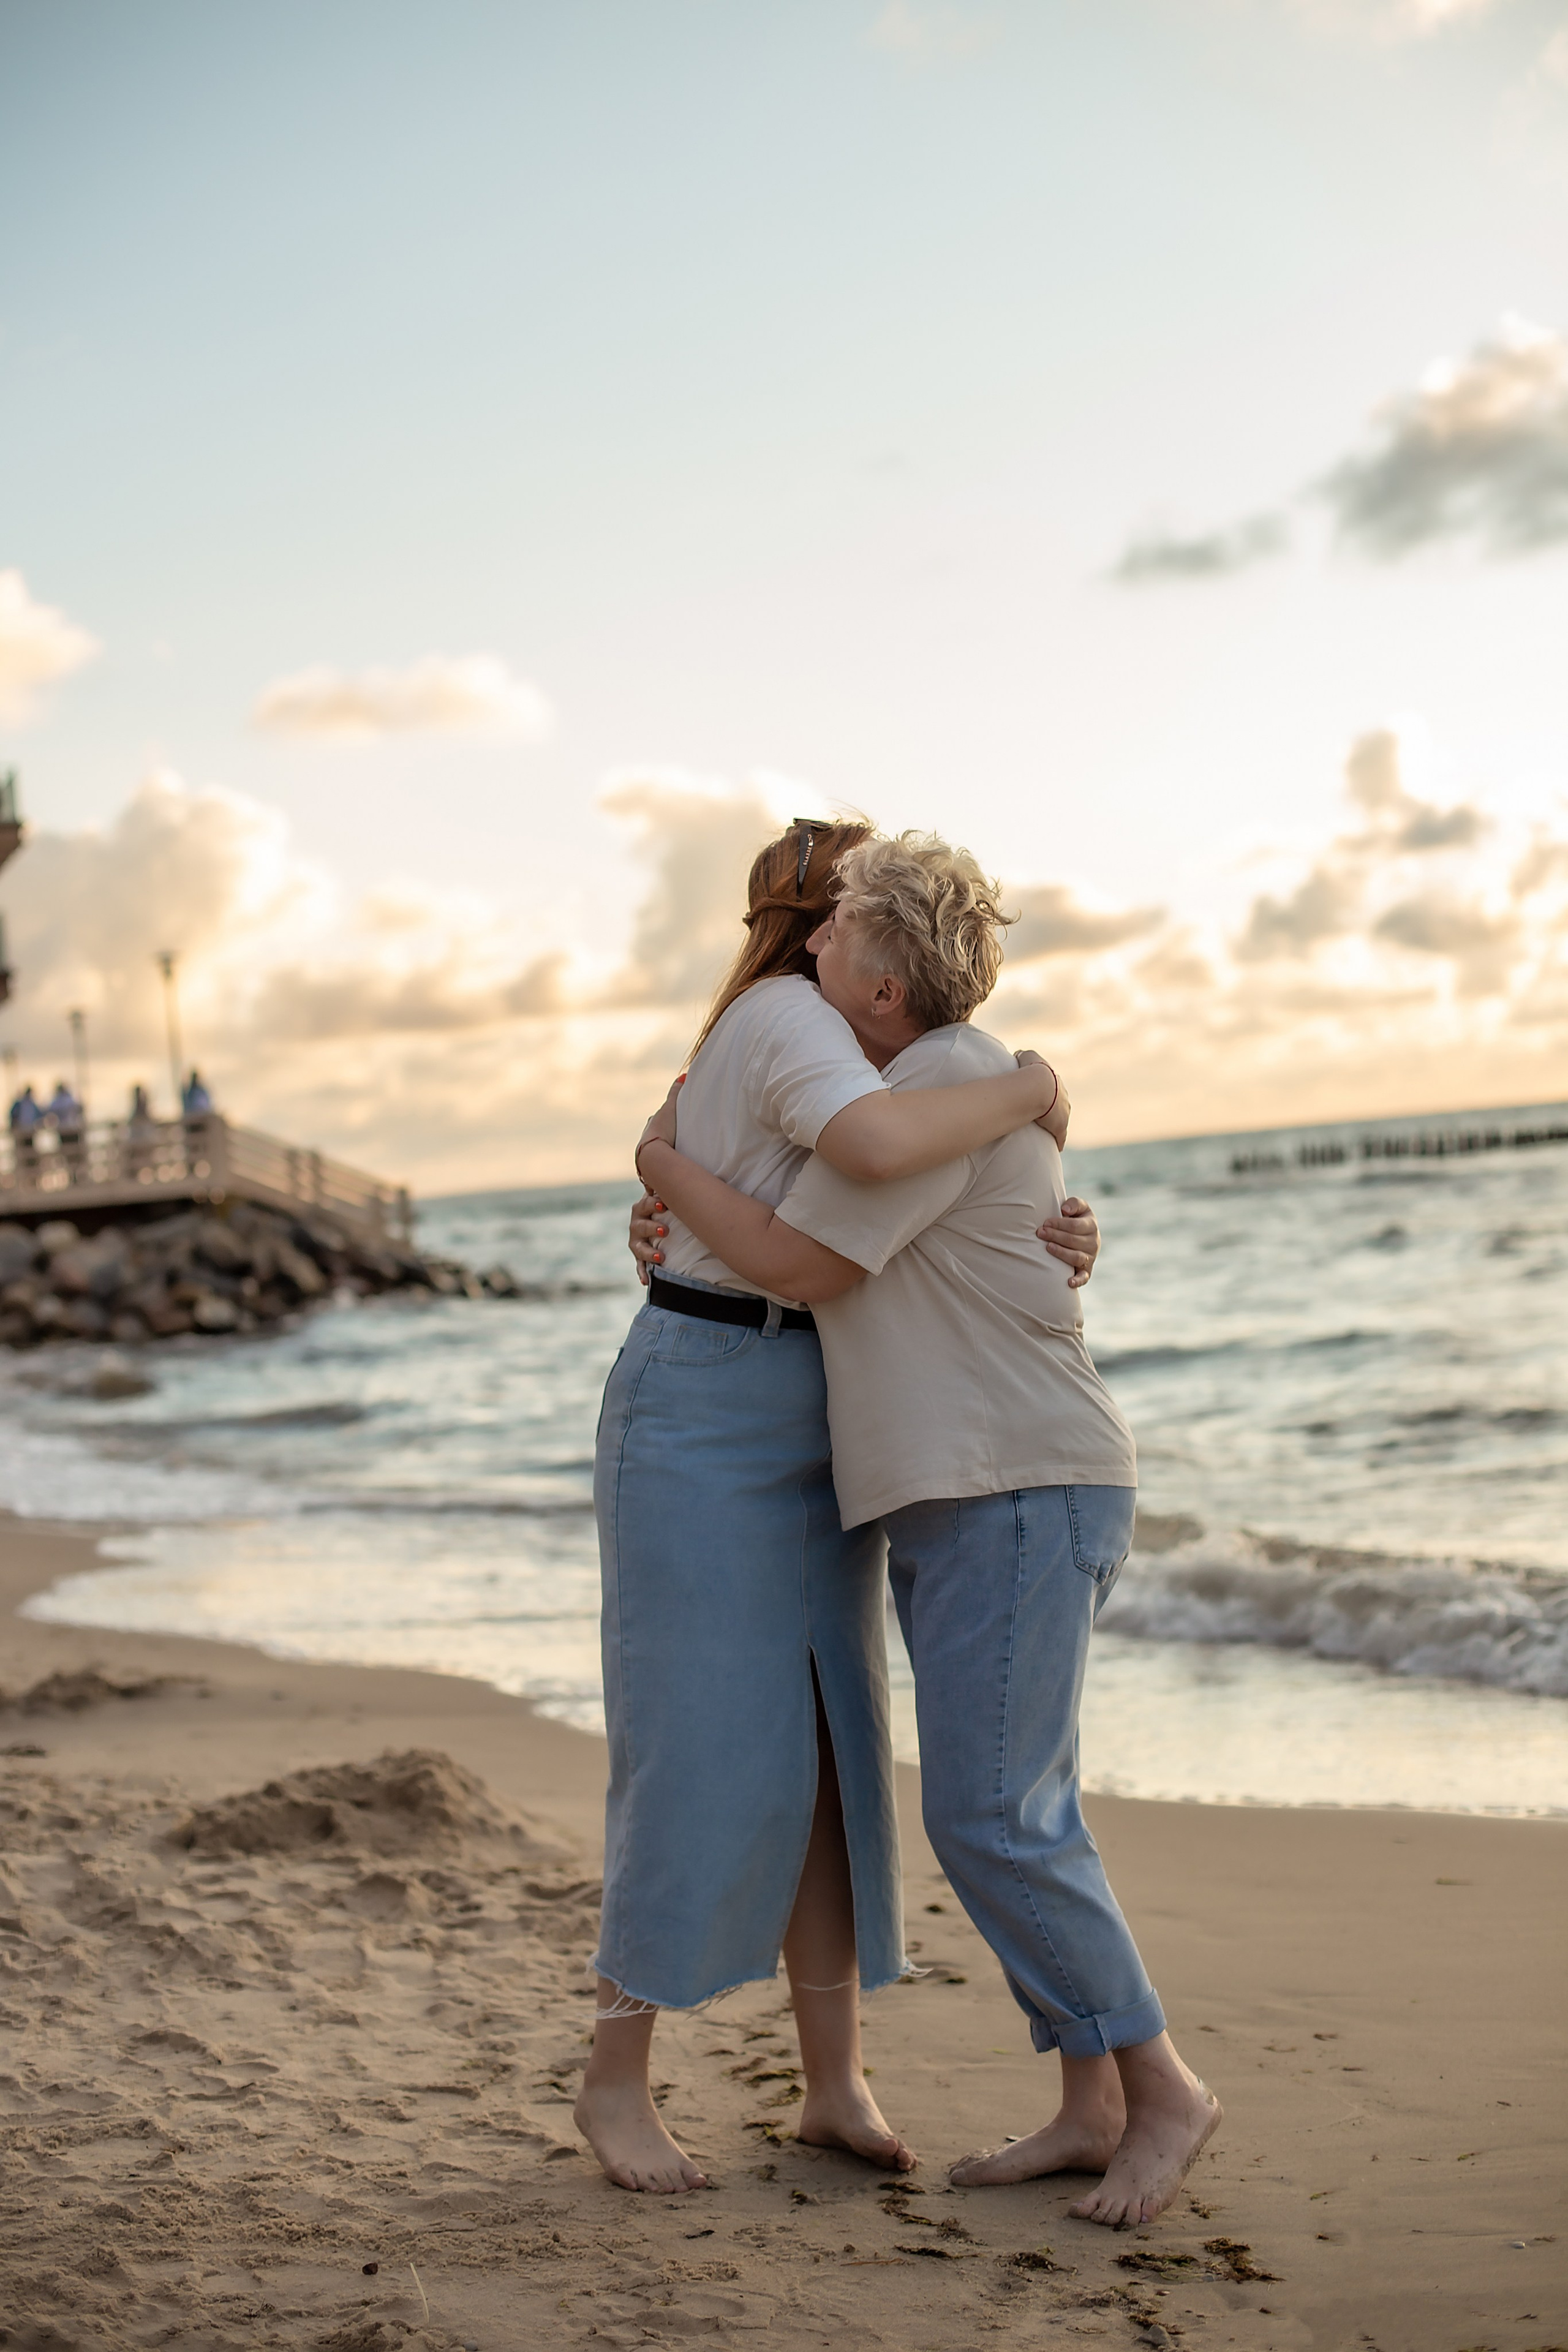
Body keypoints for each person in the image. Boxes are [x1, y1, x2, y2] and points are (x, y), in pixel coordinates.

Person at [632, 831, 1220, 2231]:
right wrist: (662, 1220)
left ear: (884, 986)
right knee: (1022, 1809)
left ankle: (1160, 2091)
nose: (809, 944)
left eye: (833, 930)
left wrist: (656, 1155)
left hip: (1010, 1489)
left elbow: (791, 1262)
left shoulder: (941, 1084)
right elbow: (805, 1238)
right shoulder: (935, 1083)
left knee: (989, 1814)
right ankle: (1085, 2105)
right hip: (983, 1491)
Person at [45, 1080, 86, 1181]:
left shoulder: (58, 1101)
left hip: (66, 1131)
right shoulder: (70, 1099)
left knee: (69, 1155)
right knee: (74, 1154)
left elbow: (49, 1112)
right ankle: (75, 1176)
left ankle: (73, 1176)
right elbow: (80, 1110)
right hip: (72, 1130)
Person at [8, 1082, 40, 1170]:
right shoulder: (20, 1104)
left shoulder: (30, 1104)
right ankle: (26, 1173)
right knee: (23, 1154)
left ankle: (31, 1173)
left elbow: (39, 1115)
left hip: (29, 1132)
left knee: (30, 1154)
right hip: (22, 1132)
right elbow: (12, 1115)